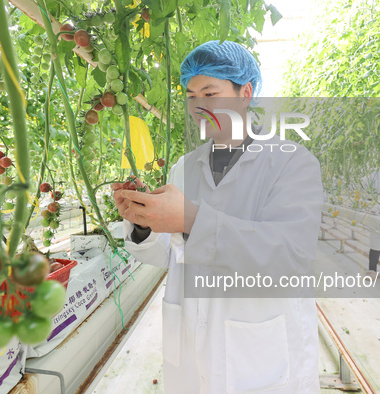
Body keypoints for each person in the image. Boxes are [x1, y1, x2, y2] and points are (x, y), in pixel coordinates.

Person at [111, 40, 323, 393]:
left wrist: (190, 219)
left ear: (245, 93)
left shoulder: (290, 162)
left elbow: (289, 256)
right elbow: (169, 252)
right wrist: (146, 226)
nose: (198, 106)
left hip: (259, 350)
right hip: (193, 351)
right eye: (192, 96)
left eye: (210, 93)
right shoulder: (184, 167)